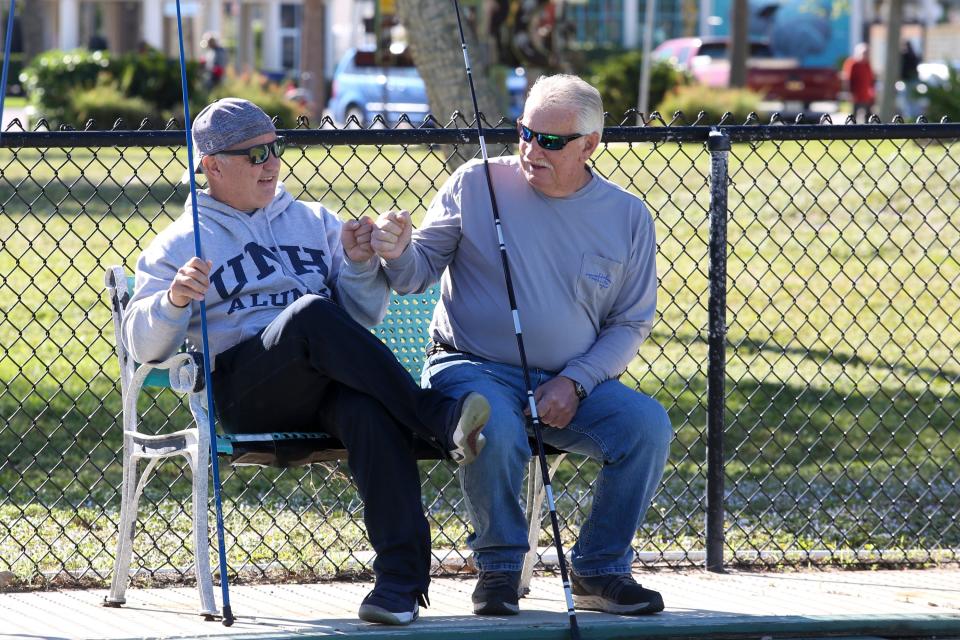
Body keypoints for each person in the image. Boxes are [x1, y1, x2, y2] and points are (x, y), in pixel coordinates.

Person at [121, 98, 490, 626]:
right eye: (254, 156)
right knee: (312, 315)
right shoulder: (179, 242)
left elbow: (360, 317)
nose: (271, 164)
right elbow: (142, 345)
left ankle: (399, 586)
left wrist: (361, 264)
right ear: (212, 165)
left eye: (275, 149)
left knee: (367, 408)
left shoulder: (314, 221)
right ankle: (436, 418)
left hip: (322, 384)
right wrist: (173, 301)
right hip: (247, 392)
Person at [370, 74, 673, 616]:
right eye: (525, 133)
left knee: (646, 426)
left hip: (569, 380)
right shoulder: (475, 182)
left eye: (551, 141)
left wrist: (575, 381)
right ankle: (500, 570)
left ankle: (599, 571)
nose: (533, 149)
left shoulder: (627, 216)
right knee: (495, 423)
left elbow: (630, 324)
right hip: (467, 366)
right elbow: (415, 274)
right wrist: (394, 249)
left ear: (590, 145)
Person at [842, 43, 876, 123]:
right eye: (865, 53)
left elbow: (871, 79)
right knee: (853, 117)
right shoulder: (852, 63)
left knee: (868, 116)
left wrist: (872, 92)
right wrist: (849, 93)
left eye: (868, 53)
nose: (866, 55)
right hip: (856, 95)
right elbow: (847, 80)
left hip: (866, 96)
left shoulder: (867, 64)